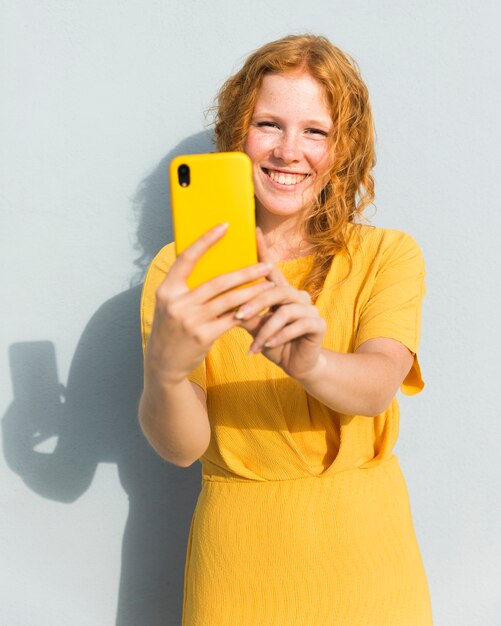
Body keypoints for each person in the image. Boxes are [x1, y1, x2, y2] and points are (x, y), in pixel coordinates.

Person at [139, 34, 433, 626]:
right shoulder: (179, 271)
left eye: (316, 131)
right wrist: (165, 375)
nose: (288, 151)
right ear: (236, 134)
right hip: (237, 566)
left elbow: (377, 385)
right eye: (268, 124)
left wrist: (310, 362)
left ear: (344, 147)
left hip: (368, 562)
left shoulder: (388, 255)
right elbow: (182, 448)